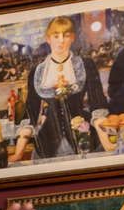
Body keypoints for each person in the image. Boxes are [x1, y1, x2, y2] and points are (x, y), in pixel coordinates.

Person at [20, 15, 107, 160]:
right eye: (56, 36)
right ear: (48, 39)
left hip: (85, 138)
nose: (61, 40)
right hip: (48, 143)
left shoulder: (85, 64)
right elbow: (31, 112)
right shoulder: (38, 72)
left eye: (66, 35)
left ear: (72, 38)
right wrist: (19, 151)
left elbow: (97, 103)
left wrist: (107, 142)